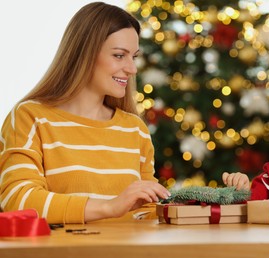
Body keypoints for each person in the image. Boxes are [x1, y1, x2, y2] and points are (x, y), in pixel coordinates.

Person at [0, 2, 170, 224]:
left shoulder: (134, 129)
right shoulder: (30, 117)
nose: (132, 68)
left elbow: (147, 212)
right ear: (84, 54)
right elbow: (18, 199)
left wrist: (221, 199)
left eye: (134, 56)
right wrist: (110, 207)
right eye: (119, 55)